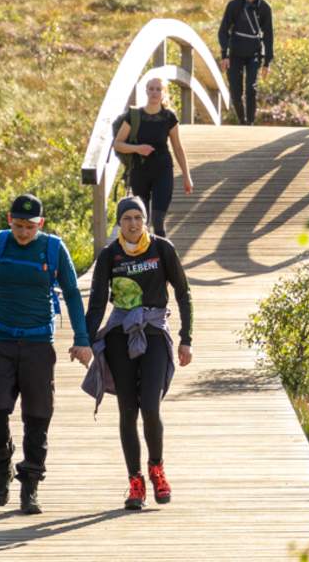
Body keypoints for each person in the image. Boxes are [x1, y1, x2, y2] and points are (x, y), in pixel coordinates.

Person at [0, 193, 93, 516]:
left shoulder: (53, 249)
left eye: (30, 227)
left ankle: (30, 484)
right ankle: (2, 468)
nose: (23, 233)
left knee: (38, 416)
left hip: (37, 344)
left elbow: (73, 294)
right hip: (0, 341)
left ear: (40, 224)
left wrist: (82, 338)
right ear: (9, 220)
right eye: (18, 225)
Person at [83, 196, 195, 512]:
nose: (132, 224)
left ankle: (156, 469)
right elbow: (97, 303)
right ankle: (135, 480)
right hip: (120, 334)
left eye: (137, 218)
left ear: (145, 220)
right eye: (126, 219)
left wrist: (186, 338)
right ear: (119, 223)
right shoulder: (109, 255)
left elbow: (184, 293)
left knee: (150, 405)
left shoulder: (162, 249)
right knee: (127, 409)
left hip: (154, 331)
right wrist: (86, 341)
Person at [112, 77, 194, 237]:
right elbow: (118, 144)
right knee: (143, 221)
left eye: (158, 89)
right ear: (146, 91)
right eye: (151, 89)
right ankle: (147, 257)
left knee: (158, 221)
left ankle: (163, 257)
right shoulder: (134, 116)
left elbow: (177, 147)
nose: (154, 92)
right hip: (139, 172)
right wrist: (138, 149)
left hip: (162, 170)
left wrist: (186, 176)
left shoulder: (169, 117)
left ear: (164, 93)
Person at [217, 0, 274, 126]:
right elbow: (223, 31)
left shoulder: (265, 8)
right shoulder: (234, 5)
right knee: (235, 91)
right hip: (235, 52)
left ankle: (250, 122)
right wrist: (225, 54)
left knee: (251, 88)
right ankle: (242, 120)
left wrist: (267, 62)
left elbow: (268, 36)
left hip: (254, 53)